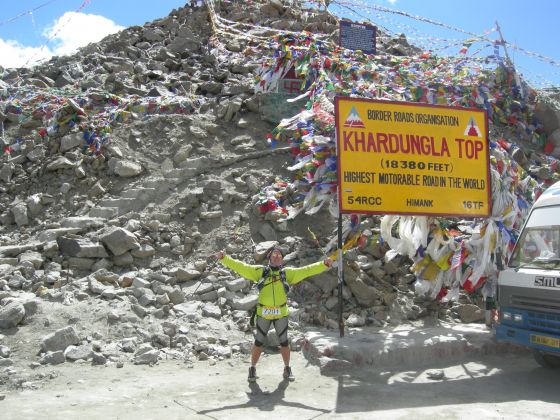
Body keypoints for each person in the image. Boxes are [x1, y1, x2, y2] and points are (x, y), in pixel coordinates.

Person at [217, 246, 332, 382]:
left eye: (279, 255)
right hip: (264, 313)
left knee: (284, 342)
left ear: (282, 259)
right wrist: (224, 259)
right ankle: (252, 368)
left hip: (280, 313)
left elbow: (307, 270)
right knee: (258, 341)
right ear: (269, 257)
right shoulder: (260, 271)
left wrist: (324, 264)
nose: (276, 256)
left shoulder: (287, 273)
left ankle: (287, 368)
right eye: (274, 254)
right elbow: (242, 267)